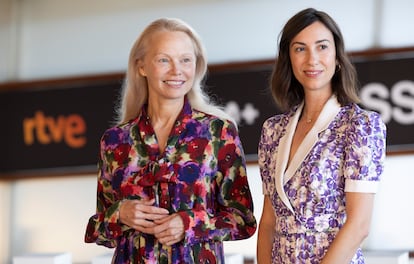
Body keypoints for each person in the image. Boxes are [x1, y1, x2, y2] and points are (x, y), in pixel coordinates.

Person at [84, 18, 257, 263]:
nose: (177, 70)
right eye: (164, 59)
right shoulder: (114, 141)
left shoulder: (218, 132)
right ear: (142, 66)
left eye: (185, 60)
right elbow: (99, 231)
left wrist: (189, 224)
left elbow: (243, 220)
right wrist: (120, 214)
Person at [256, 8, 386, 264]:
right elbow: (269, 222)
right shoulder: (273, 130)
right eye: (300, 48)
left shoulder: (360, 125)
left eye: (322, 47)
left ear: (337, 56)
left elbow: (359, 224)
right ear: (289, 59)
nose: (312, 59)